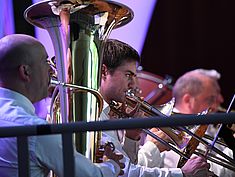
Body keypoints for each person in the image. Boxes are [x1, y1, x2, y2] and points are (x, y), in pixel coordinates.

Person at [0, 34, 124, 177]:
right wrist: (112, 165)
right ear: (25, 71)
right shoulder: (36, 130)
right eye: (45, 62)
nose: (52, 70)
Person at [99, 39, 212, 177]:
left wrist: (132, 136)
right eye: (128, 75)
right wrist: (182, 174)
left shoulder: (109, 112)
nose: (134, 85)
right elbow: (125, 173)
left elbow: (122, 167)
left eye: (135, 76)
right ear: (104, 71)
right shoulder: (96, 114)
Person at [139, 69, 235, 177]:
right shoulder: (169, 130)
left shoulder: (208, 125)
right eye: (212, 98)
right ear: (188, 100)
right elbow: (205, 171)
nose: (221, 100)